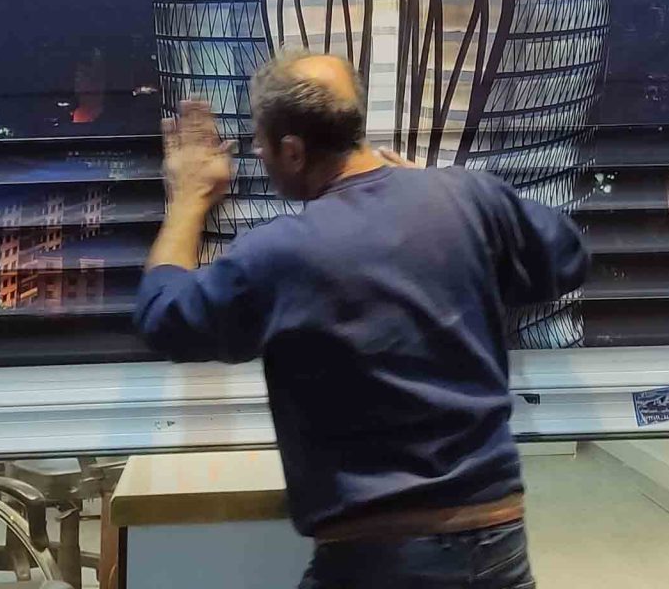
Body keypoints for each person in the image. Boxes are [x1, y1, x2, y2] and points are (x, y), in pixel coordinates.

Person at [134, 50, 589, 589]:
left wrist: (190, 198)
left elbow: (165, 317)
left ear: (293, 151)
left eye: (260, 143)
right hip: (497, 543)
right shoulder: (467, 197)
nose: (257, 153)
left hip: (377, 560)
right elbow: (565, 258)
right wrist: (445, 194)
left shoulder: (282, 254)